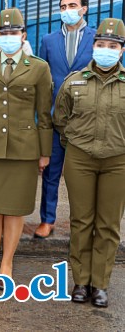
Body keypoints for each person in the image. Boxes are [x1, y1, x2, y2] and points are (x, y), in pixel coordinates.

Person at [0, 8, 52, 284]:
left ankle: (8, 262)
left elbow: (44, 114)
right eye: (2, 34)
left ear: (23, 35)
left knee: (15, 208)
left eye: (13, 33)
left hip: (23, 148)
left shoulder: (39, 67)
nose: (7, 38)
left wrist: (44, 152)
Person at [53, 18, 125, 309]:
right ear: (93, 47)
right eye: (101, 44)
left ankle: (101, 284)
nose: (106, 50)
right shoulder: (75, 80)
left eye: (113, 46)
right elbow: (60, 117)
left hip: (118, 160)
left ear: (121, 50)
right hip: (80, 158)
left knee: (108, 224)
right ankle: (81, 281)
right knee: (81, 221)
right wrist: (74, 140)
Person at [35, 0, 96, 239]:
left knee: (84, 175)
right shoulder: (48, 40)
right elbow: (43, 80)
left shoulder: (96, 40)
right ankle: (47, 220)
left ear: (84, 9)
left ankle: (82, 223)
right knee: (51, 172)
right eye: (63, 6)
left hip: (85, 119)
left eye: (72, 5)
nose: (67, 9)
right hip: (54, 119)